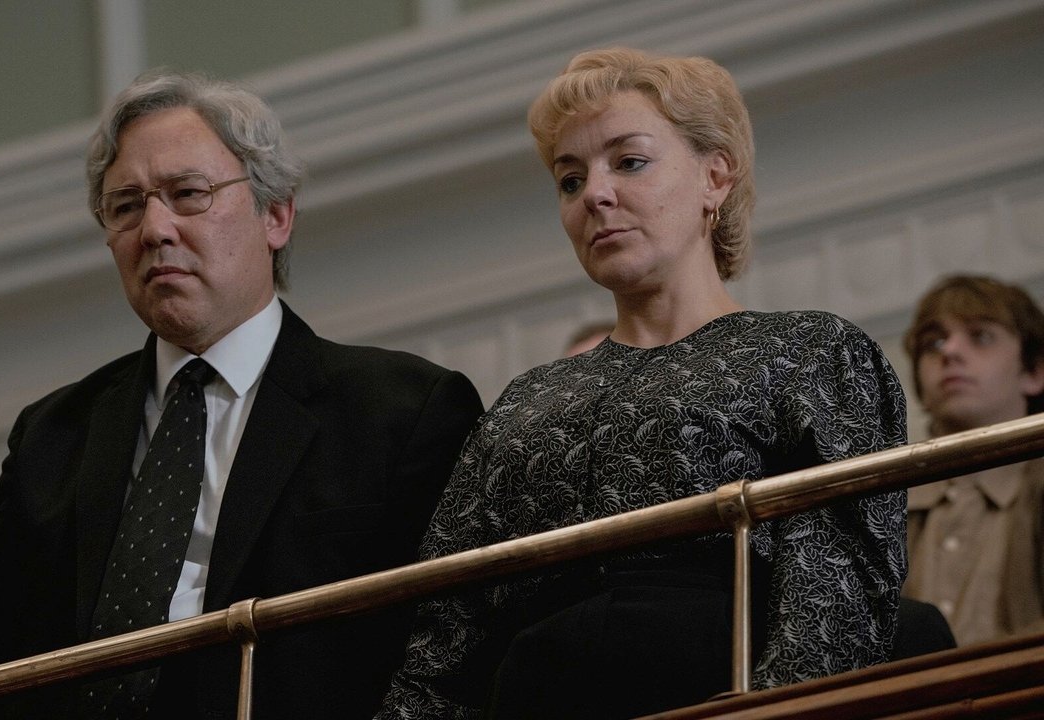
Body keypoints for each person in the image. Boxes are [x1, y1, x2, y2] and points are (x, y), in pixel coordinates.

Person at [0, 70, 485, 720]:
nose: (154, 229)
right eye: (126, 206)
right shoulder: (50, 438)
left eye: (188, 194)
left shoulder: (405, 412)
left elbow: (455, 659)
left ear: (275, 215)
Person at [378, 47, 908, 719]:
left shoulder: (810, 353)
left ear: (715, 177)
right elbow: (442, 648)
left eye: (629, 162)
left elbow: (833, 600)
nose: (594, 195)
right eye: (570, 180)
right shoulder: (523, 403)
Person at [902, 274, 1044, 647]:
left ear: (1033, 372)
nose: (949, 351)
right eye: (933, 343)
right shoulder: (885, 502)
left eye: (980, 336)